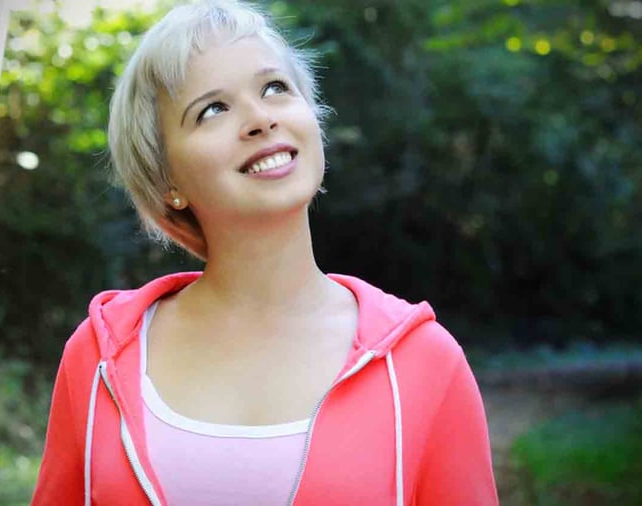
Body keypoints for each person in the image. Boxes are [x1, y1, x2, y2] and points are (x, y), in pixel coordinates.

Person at [31, 1, 498, 505]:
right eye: (213, 109)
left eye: (275, 88)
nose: (260, 119)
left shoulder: (424, 361)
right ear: (167, 181)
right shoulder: (98, 358)